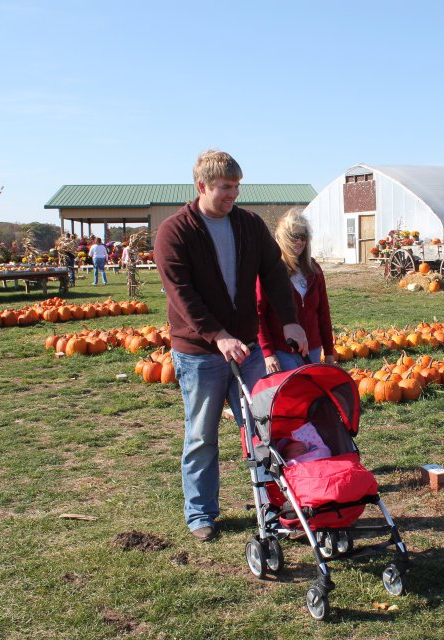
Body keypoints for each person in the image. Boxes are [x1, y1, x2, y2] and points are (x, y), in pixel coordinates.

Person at [155, 149, 308, 542]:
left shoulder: (248, 225)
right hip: (198, 353)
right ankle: (200, 513)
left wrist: (290, 319)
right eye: (225, 188)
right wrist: (217, 335)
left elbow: (274, 272)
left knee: (263, 430)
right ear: (202, 186)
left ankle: (275, 507)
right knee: (202, 435)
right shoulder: (175, 232)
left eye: (237, 187)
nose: (232, 195)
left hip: (248, 348)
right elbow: (181, 295)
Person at [257, 208, 336, 373]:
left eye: (303, 236)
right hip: (282, 351)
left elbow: (323, 313)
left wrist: (329, 350)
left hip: (312, 349)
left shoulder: (314, 270)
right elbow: (259, 314)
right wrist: (268, 353)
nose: (300, 242)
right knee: (289, 396)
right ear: (283, 238)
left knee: (309, 396)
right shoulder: (269, 272)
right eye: (294, 236)